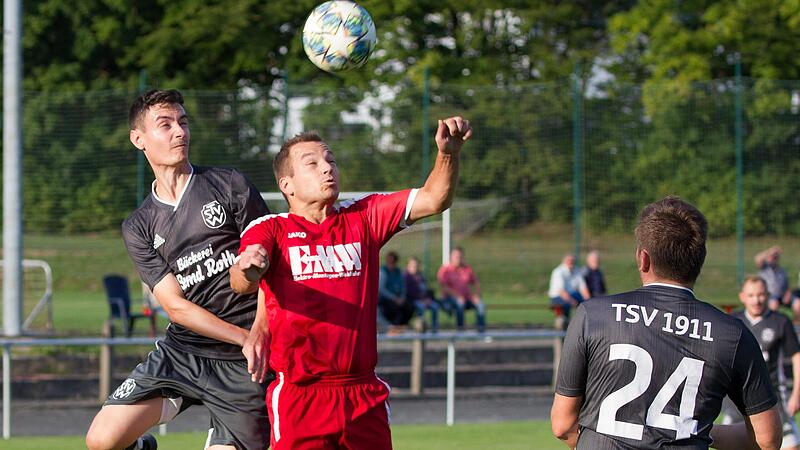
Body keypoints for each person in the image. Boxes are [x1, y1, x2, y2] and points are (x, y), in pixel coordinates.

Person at [229, 116, 472, 449]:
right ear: (287, 185)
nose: (327, 168)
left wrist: (448, 153)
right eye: (312, 164)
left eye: (331, 160)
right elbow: (242, 281)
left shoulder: (364, 215)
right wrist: (250, 266)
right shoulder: (271, 228)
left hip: (363, 395)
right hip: (302, 396)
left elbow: (435, 198)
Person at [85, 89, 271, 450]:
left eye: (183, 123)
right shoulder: (138, 225)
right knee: (102, 442)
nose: (180, 132)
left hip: (243, 363)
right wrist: (242, 337)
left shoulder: (229, 184)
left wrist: (258, 334)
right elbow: (175, 307)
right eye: (165, 125)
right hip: (183, 353)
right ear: (138, 139)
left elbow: (273, 269)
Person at [551, 196, 782, 450]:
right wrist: (694, 431)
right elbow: (768, 439)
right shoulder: (732, 334)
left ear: (643, 259)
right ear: (700, 261)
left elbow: (563, 425)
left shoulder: (593, 316)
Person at [725, 276, 800, 450]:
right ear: (742, 296)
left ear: (768, 295)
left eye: (760, 295)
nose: (756, 300)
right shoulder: (732, 321)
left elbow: (797, 358)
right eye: (751, 295)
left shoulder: (781, 322)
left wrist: (796, 394)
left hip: (774, 401)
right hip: (736, 405)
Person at [437, 247, 487, 332]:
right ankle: (461, 331)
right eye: (456, 257)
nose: (458, 259)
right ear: (451, 257)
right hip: (450, 299)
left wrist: (477, 295)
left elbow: (476, 283)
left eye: (460, 257)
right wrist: (457, 296)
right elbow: (444, 287)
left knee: (480, 304)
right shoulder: (445, 270)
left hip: (467, 298)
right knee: (460, 303)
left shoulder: (467, 269)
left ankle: (481, 331)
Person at [755, 246, 799, 319]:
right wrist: (770, 251)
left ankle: (797, 325)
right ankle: (774, 324)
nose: (773, 259)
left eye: (775, 257)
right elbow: (757, 259)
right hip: (769, 296)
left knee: (798, 302)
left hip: (782, 296)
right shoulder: (764, 268)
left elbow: (787, 285)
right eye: (771, 257)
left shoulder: (782, 271)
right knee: (774, 304)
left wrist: (788, 294)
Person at [404, 256, 440, 333]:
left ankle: (434, 329)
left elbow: (426, 290)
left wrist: (428, 299)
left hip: (424, 300)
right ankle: (420, 329)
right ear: (408, 266)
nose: (415, 267)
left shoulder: (421, 276)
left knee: (435, 307)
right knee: (421, 307)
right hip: (413, 300)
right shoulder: (406, 277)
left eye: (416, 266)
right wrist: (422, 300)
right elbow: (410, 292)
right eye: (412, 265)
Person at [548, 253, 591, 319]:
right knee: (566, 304)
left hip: (573, 295)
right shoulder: (558, 272)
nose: (571, 262)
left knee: (585, 302)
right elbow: (561, 291)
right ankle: (563, 318)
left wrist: (589, 301)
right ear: (564, 261)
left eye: (572, 261)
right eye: (569, 260)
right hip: (558, 297)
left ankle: (583, 320)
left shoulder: (577, 270)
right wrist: (573, 302)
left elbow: (583, 288)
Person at [378, 251, 414, 329]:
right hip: (387, 299)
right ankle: (393, 326)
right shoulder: (383, 272)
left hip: (398, 298)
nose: (391, 264)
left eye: (393, 262)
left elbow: (403, 287)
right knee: (392, 308)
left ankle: (402, 325)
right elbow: (381, 289)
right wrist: (394, 298)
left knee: (410, 307)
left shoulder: (399, 272)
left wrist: (402, 297)